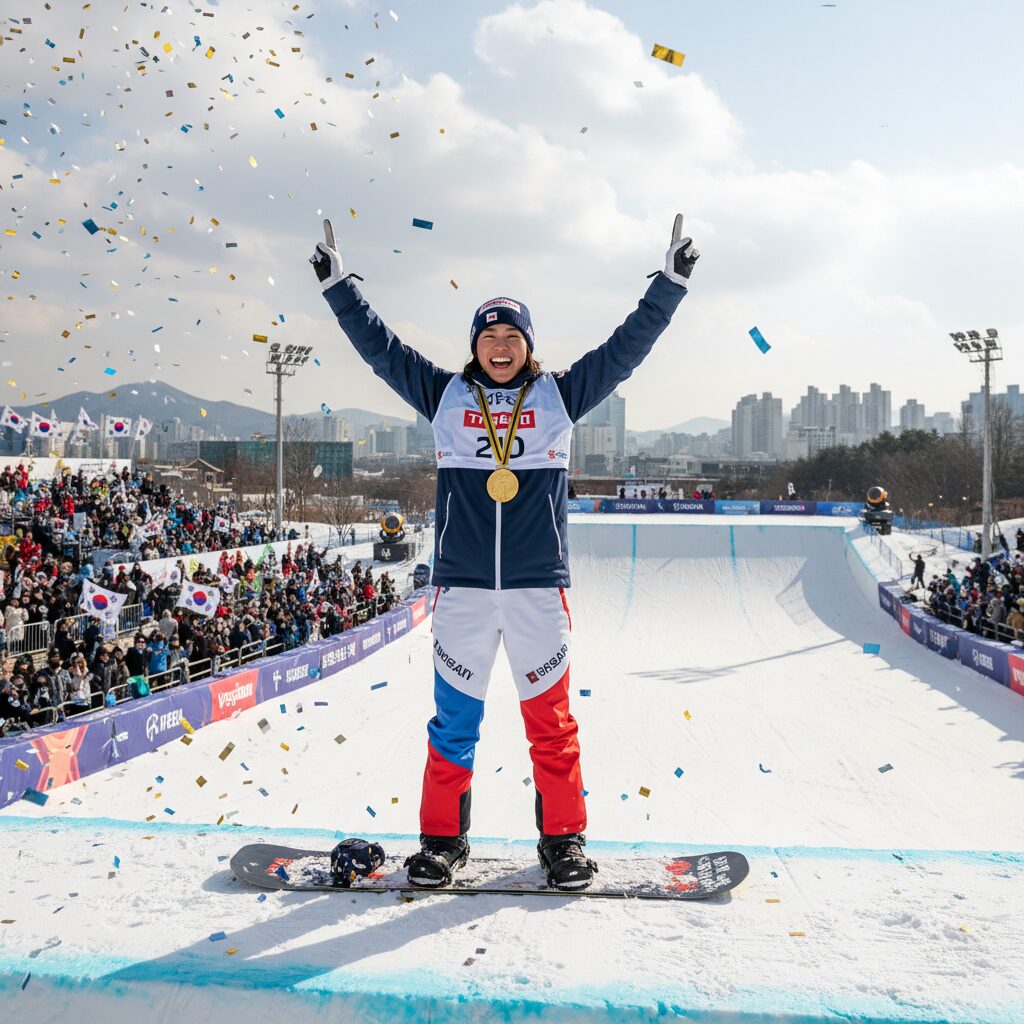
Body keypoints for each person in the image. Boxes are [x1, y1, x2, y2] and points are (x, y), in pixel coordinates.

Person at [311, 211, 698, 889]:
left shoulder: (559, 396)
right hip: (461, 587)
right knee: (452, 724)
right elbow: (382, 350)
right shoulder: (443, 395)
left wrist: (668, 284)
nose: (498, 346)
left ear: (527, 344)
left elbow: (625, 348)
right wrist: (340, 287)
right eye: (488, 336)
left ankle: (563, 843)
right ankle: (441, 843)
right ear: (474, 345)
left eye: (510, 336)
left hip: (533, 587)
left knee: (551, 724)